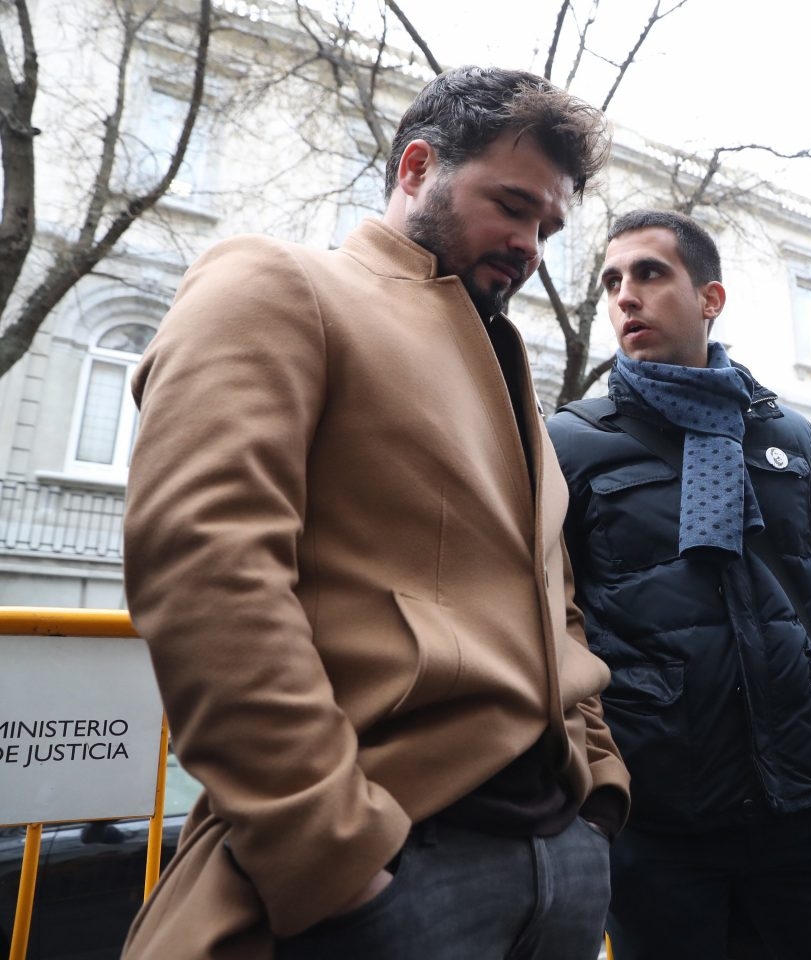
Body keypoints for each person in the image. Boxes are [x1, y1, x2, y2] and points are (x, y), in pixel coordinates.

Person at [121, 67, 628, 960]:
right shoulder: (277, 283)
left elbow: (558, 602)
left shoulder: (513, 379)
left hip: (558, 868)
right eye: (510, 205)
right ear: (415, 167)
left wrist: (598, 793)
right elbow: (207, 568)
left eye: (545, 226)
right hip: (386, 870)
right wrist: (334, 855)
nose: (530, 245)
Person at [546, 209, 811, 960]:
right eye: (612, 281)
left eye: (649, 273)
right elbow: (551, 621)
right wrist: (600, 782)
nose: (625, 297)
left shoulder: (786, 436)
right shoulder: (571, 442)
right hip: (660, 826)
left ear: (710, 299)